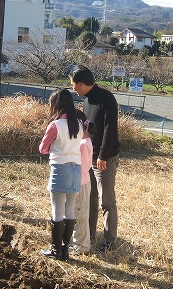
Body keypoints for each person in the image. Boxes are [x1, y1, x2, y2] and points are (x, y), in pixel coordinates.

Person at [69, 66, 120, 252]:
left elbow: (110, 129)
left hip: (104, 158)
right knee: (89, 197)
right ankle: (89, 235)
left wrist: (103, 155)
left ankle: (110, 240)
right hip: (88, 156)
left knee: (107, 200)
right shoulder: (87, 101)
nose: (73, 88)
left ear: (82, 84)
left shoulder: (106, 98)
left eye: (74, 84)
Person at [39, 88, 83, 261]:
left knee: (57, 210)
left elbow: (42, 148)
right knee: (69, 209)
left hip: (60, 168)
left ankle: (55, 250)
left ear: (55, 105)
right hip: (76, 169)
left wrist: (54, 148)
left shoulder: (55, 125)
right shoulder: (78, 124)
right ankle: (65, 250)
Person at [71, 109, 96, 255]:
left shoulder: (82, 144)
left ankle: (82, 246)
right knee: (78, 212)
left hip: (80, 182)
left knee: (80, 215)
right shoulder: (86, 141)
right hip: (83, 181)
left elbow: (81, 166)